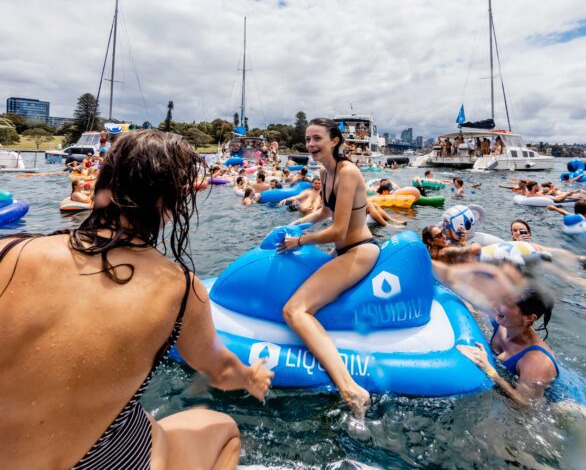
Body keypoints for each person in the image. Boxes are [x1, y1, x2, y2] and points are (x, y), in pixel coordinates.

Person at [0, 131, 272, 470]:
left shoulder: (10, 252)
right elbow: (220, 371)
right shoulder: (180, 289)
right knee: (225, 430)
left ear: (105, 183)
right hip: (104, 461)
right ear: (170, 205)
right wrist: (252, 377)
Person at [277, 118, 379, 417]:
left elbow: (338, 229)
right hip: (343, 251)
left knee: (294, 311)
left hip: (359, 251)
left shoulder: (348, 172)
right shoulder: (326, 171)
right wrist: (294, 223)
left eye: (317, 138)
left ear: (335, 140)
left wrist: (300, 241)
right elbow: (324, 211)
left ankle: (351, 389)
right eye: (308, 139)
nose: (310, 145)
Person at [457, 286, 559, 405]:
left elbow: (525, 405)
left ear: (529, 318)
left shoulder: (537, 362)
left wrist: (490, 371)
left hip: (551, 407)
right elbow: (476, 310)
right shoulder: (503, 318)